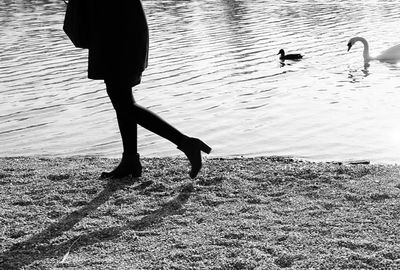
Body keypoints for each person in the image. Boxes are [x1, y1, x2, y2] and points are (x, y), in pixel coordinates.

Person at [87, 0, 211, 179]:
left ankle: (186, 143)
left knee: (122, 101)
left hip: (119, 32)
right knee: (122, 98)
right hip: (117, 29)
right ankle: (130, 160)